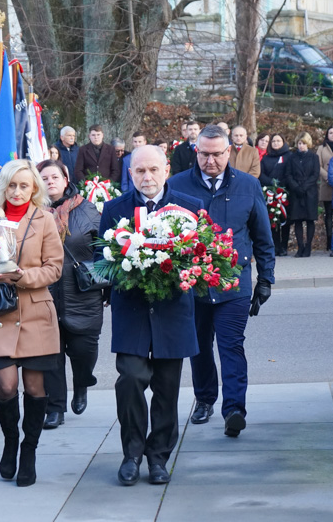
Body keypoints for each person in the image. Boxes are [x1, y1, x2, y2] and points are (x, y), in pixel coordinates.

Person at [98, 145, 201, 486]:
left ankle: (158, 458)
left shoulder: (190, 207)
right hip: (132, 314)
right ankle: (131, 454)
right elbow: (105, 264)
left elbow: (200, 261)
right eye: (140, 171)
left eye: (153, 170)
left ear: (166, 169)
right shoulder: (115, 210)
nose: (147, 177)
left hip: (172, 314)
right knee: (130, 381)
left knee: (167, 390)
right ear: (130, 174)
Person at [169, 125, 275, 438]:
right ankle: (204, 399)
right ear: (195, 152)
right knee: (199, 347)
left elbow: (263, 238)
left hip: (234, 283)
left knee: (231, 346)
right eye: (204, 154)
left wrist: (266, 280)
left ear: (228, 152)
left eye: (217, 154)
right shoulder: (176, 186)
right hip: (193, 285)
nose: (210, 160)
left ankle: (234, 411)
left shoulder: (247, 185)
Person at [0, 159, 64, 488]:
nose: (18, 191)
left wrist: (23, 276)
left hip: (37, 313)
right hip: (0, 314)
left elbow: (54, 268)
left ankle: (29, 450)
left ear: (34, 188)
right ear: (4, 187)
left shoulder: (44, 220)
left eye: (24, 185)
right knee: (6, 387)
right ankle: (11, 442)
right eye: (12, 185)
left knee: (35, 388)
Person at [36, 159, 103, 430]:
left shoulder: (88, 210)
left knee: (83, 352)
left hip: (83, 295)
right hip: (45, 294)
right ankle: (55, 408)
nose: (50, 181)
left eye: (55, 176)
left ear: (66, 179)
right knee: (51, 355)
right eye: (44, 178)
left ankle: (82, 382)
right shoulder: (32, 214)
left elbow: (104, 250)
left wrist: (106, 286)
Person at [285, 133, 320, 257]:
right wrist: (296, 187)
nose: (301, 146)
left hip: (309, 191)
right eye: (299, 143)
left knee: (310, 220)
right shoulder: (292, 157)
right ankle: (300, 247)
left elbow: (315, 174)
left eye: (304, 143)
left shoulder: (314, 157)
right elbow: (288, 174)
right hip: (296, 192)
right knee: (297, 220)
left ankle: (308, 246)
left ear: (308, 144)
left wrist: (304, 187)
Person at [260, 134, 291, 256]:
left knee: (285, 220)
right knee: (273, 219)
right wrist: (271, 184)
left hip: (285, 193)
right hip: (270, 192)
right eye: (274, 141)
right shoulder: (266, 158)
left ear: (283, 142)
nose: (276, 143)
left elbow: (290, 172)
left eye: (279, 141)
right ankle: (275, 246)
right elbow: (261, 174)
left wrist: (281, 184)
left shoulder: (289, 156)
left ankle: (284, 246)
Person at [317, 126, 333, 250]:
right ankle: (329, 241)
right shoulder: (321, 148)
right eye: (330, 133)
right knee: (328, 214)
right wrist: (328, 177)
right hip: (326, 184)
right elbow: (318, 165)